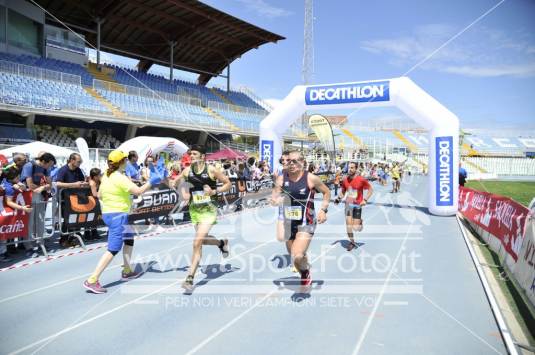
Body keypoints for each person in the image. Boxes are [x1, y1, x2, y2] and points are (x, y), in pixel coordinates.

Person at [83, 150, 164, 294]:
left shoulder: (106, 176)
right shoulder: (119, 177)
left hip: (111, 213)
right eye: (125, 160)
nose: (127, 162)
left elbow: (100, 195)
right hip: (117, 215)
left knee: (129, 240)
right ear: (121, 162)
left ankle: (127, 270)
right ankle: (92, 280)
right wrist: (151, 181)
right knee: (113, 249)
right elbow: (138, 191)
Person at [173, 145, 232, 291]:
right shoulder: (187, 171)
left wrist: (214, 191)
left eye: (194, 154)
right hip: (195, 210)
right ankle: (221, 243)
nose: (191, 156)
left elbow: (228, 184)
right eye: (190, 154)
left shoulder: (211, 169)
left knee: (196, 242)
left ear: (202, 156)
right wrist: (180, 189)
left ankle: (190, 279)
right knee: (202, 240)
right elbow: (177, 183)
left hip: (209, 209)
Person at [270, 150, 331, 287]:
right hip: (288, 221)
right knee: (293, 255)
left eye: (295, 161)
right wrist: (275, 201)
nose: (291, 163)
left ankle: (305, 271)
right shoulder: (281, 179)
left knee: (297, 255)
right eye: (289, 161)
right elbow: (274, 198)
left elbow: (327, 192)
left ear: (302, 162)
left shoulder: (311, 178)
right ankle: (303, 264)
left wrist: (323, 210)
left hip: (306, 221)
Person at [20, 152, 55, 256]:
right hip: (28, 196)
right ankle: (29, 246)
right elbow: (29, 185)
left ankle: (40, 243)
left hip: (39, 195)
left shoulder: (46, 168)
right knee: (29, 221)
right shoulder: (29, 166)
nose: (50, 167)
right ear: (44, 161)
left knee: (40, 220)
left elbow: (49, 184)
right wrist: (42, 187)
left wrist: (43, 187)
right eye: (49, 165)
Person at [335, 162, 373, 251]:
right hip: (348, 204)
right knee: (348, 226)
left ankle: (360, 222)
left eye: (352, 168)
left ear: (356, 169)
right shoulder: (345, 180)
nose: (350, 169)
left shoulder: (361, 179)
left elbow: (370, 189)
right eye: (349, 168)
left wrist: (365, 200)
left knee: (356, 228)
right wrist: (338, 198)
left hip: (357, 205)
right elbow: (343, 191)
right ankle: (352, 242)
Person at [55, 153, 89, 246]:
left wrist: (84, 183)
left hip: (76, 198)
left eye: (81, 161)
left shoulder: (78, 170)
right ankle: (64, 239)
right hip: (65, 198)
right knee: (67, 219)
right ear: (72, 160)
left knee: (77, 218)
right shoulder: (63, 170)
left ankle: (74, 237)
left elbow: (81, 181)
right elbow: (58, 184)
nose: (80, 163)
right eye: (79, 161)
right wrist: (74, 184)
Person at [0, 166, 32, 262]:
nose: (19, 179)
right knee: (3, 234)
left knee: (4, 234)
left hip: (6, 212)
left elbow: (25, 189)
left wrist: (22, 187)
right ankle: (2, 253)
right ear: (12, 177)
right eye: (18, 177)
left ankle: (4, 252)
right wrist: (22, 208)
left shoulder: (7, 181)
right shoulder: (9, 187)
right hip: (4, 213)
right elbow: (9, 202)